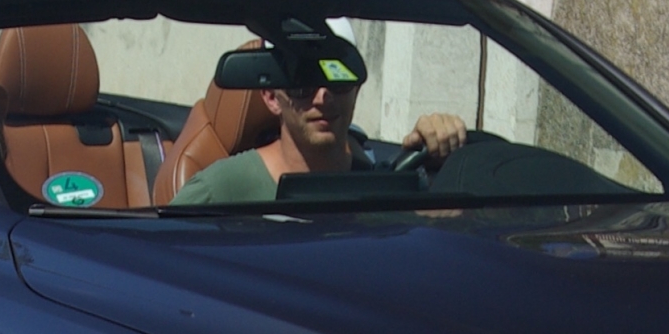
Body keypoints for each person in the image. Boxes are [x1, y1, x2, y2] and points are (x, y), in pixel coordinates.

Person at [172, 44, 469, 205]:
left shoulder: (382, 183)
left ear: (357, 90)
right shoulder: (220, 191)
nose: (323, 97)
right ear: (271, 97)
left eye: (338, 80)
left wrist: (440, 164)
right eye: (302, 85)